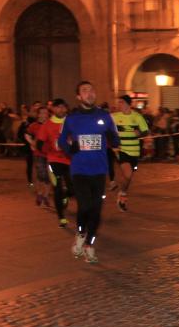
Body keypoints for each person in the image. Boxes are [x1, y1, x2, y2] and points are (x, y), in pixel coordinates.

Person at [58, 81, 120, 263]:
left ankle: (89, 244)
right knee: (85, 206)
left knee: (96, 209)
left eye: (92, 90)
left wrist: (111, 138)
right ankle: (80, 233)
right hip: (79, 169)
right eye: (85, 91)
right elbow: (61, 141)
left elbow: (116, 141)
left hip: (99, 169)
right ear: (78, 96)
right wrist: (71, 149)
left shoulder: (105, 116)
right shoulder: (71, 118)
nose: (90, 93)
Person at [111, 95, 149, 211]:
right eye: (119, 102)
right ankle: (122, 195)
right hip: (121, 150)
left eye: (121, 102)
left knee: (129, 176)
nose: (119, 105)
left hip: (134, 151)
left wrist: (139, 133)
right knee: (127, 174)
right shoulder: (114, 117)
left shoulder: (137, 117)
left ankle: (123, 192)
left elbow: (146, 131)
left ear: (128, 104)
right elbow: (106, 128)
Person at [41, 98, 73, 227]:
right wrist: (48, 151)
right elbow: (40, 144)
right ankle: (61, 217)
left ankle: (66, 195)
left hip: (70, 160)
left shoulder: (71, 122)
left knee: (73, 188)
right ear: (53, 109)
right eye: (58, 107)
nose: (61, 109)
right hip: (54, 160)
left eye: (63, 107)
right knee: (57, 188)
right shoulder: (47, 125)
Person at [25, 106, 52, 207]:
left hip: (50, 154)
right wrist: (32, 143)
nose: (44, 115)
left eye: (46, 113)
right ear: (38, 114)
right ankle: (40, 193)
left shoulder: (51, 124)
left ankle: (45, 195)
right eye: (42, 113)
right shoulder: (34, 126)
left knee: (49, 175)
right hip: (39, 153)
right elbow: (27, 134)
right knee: (41, 174)